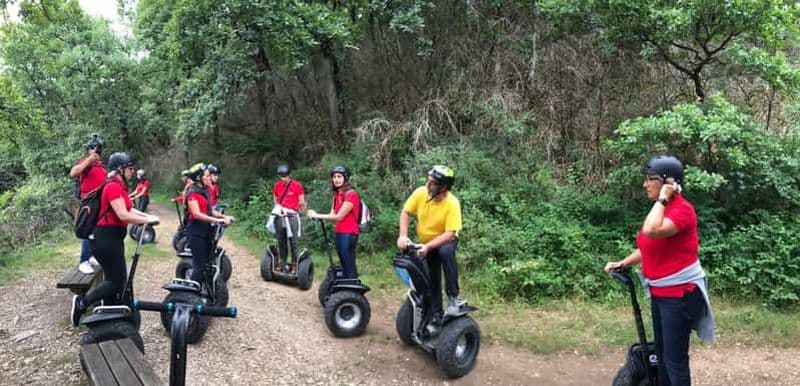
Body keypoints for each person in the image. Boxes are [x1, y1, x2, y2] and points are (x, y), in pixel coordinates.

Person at [604, 155, 714, 386]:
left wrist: (663, 199)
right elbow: (648, 247)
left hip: (680, 296)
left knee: (674, 361)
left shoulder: (682, 210)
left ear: (668, 183)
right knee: (663, 358)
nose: (645, 184)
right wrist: (623, 263)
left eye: (650, 179)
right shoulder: (662, 210)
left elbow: (653, 230)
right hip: (661, 294)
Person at [70, 152, 159, 326]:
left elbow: (129, 210)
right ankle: (82, 303)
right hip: (105, 239)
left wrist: (148, 217)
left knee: (115, 278)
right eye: (130, 168)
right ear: (120, 169)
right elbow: (122, 214)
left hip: (111, 239)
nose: (132, 172)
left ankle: (109, 310)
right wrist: (148, 220)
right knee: (116, 281)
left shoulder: (118, 186)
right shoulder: (112, 187)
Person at [397, 165, 466, 318]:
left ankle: (454, 298)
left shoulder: (452, 203)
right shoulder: (421, 193)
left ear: (443, 187)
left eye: (432, 183)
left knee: (445, 252)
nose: (427, 185)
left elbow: (450, 233)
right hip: (426, 243)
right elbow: (406, 212)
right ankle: (437, 314)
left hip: (445, 240)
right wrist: (403, 235)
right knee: (432, 277)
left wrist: (428, 246)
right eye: (428, 181)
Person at [307, 166, 361, 279]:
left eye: (339, 176)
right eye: (334, 177)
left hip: (349, 233)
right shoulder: (337, 194)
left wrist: (316, 215)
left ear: (345, 178)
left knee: (348, 261)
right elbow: (332, 215)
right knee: (343, 260)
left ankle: (352, 286)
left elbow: (339, 217)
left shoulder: (351, 194)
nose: (336, 179)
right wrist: (316, 215)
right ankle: (347, 285)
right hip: (339, 231)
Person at [184, 163, 233, 286]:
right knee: (199, 267)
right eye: (206, 175)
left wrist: (224, 216)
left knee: (207, 264)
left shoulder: (204, 190)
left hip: (206, 231)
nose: (209, 178)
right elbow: (196, 214)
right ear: (199, 177)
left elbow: (210, 210)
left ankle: (205, 292)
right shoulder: (192, 192)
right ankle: (192, 295)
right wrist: (217, 221)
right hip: (196, 232)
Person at [69, 133, 106, 274]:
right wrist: (89, 160)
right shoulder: (85, 163)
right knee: (87, 230)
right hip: (88, 202)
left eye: (97, 149)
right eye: (92, 148)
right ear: (88, 150)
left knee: (96, 232)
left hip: (100, 203)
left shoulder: (101, 167)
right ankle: (83, 261)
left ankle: (91, 256)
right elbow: (73, 173)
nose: (95, 151)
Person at [272, 164, 305, 270]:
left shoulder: (297, 185)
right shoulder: (277, 185)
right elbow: (276, 200)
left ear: (289, 175)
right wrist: (278, 209)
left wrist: (297, 209)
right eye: (281, 176)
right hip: (281, 215)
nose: (283, 178)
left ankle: (295, 264)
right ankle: (283, 262)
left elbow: (301, 201)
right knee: (281, 240)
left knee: (293, 241)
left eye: (285, 176)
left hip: (292, 215)